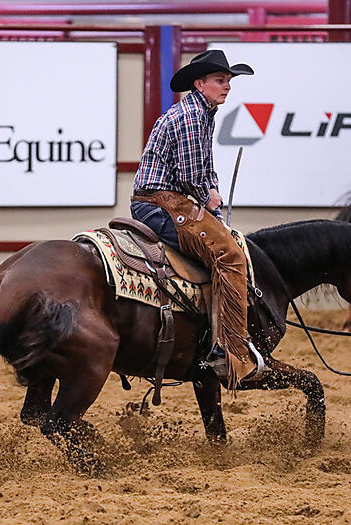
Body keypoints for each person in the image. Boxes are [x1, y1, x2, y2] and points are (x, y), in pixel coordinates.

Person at [130, 49, 264, 390]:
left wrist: (212, 191)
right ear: (200, 84)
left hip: (169, 201)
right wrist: (208, 199)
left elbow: (206, 168)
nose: (227, 86)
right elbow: (191, 177)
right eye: (220, 80)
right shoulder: (190, 117)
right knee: (230, 255)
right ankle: (228, 348)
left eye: (229, 80)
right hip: (160, 204)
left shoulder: (202, 114)